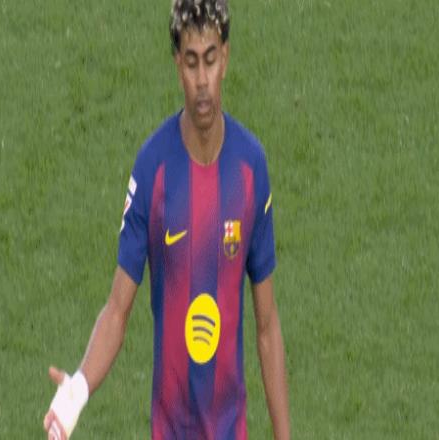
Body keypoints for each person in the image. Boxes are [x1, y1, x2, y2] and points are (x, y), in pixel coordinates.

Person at [43, 0, 290, 438]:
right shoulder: (153, 168)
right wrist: (76, 390)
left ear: (225, 58)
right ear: (178, 65)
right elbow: (117, 309)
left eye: (210, 60)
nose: (202, 81)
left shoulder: (250, 167)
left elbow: (267, 325)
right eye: (192, 62)